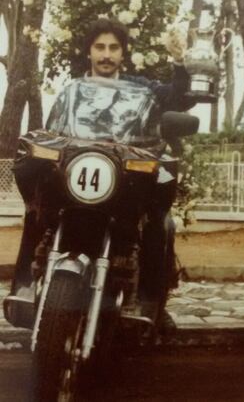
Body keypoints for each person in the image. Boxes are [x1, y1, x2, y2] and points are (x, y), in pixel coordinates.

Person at [52, 18, 194, 333]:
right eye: (99, 47)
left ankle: (151, 300)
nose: (106, 54)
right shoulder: (71, 92)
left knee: (159, 221)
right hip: (79, 180)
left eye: (113, 48)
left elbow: (175, 99)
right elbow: (53, 131)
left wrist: (179, 61)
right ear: (89, 52)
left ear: (123, 52)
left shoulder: (140, 88)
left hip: (125, 181)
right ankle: (28, 282)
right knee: (41, 210)